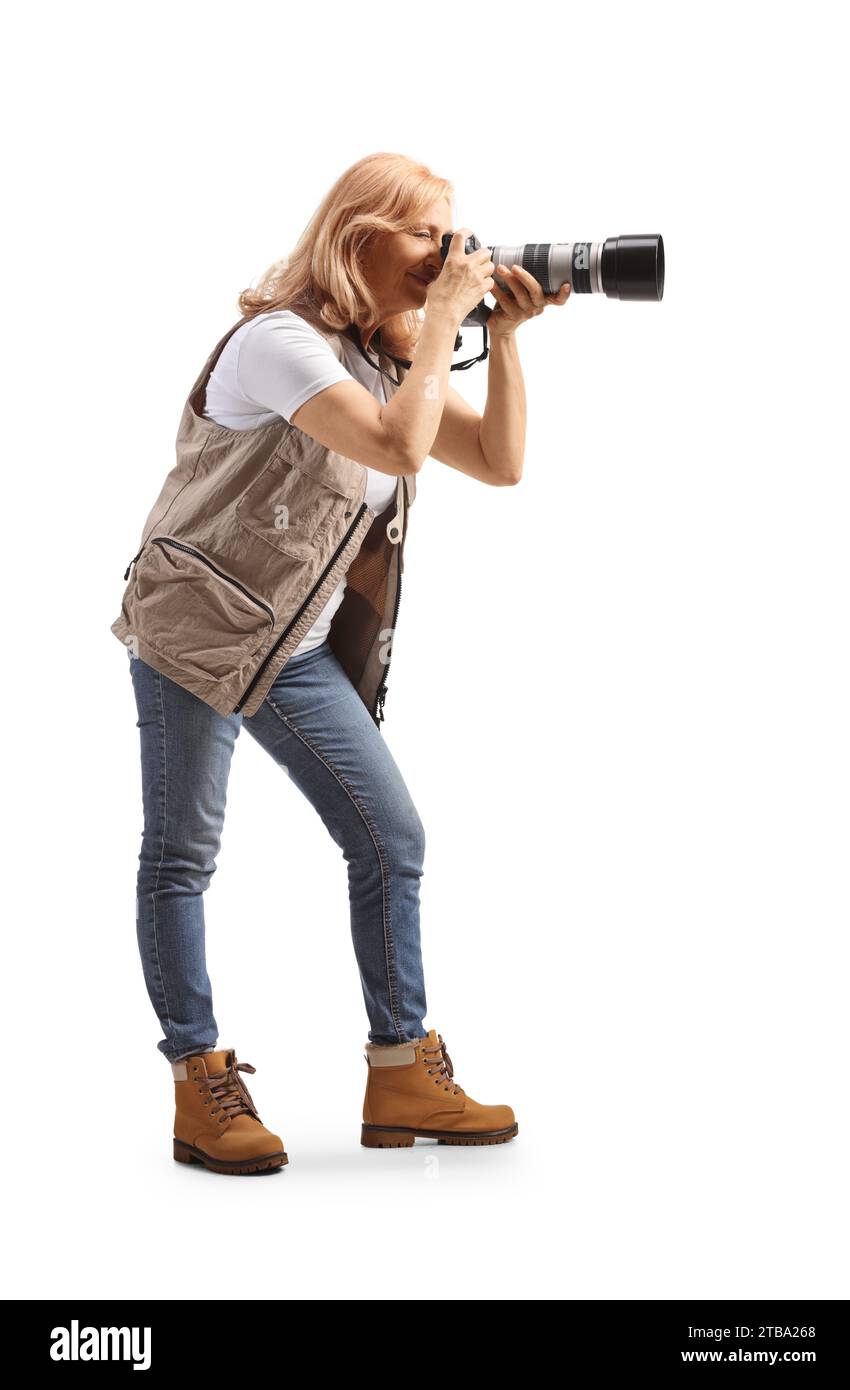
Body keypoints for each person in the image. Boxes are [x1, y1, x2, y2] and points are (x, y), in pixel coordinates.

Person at [113, 151, 570, 1174]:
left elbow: (497, 464)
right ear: (356, 236)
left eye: (453, 232)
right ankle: (199, 1085)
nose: (447, 252)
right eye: (425, 233)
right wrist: (446, 322)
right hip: (196, 630)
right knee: (183, 854)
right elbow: (398, 451)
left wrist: (498, 343)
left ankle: (401, 1069)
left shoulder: (378, 361)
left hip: (294, 645)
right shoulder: (280, 344)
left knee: (390, 836)